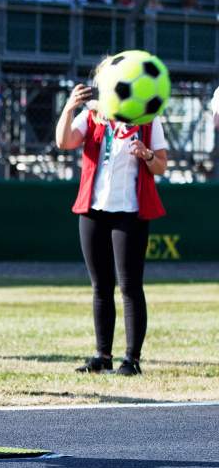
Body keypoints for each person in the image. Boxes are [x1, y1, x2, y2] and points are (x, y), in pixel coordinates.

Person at [55, 59, 169, 376]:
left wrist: (146, 154)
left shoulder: (148, 116)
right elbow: (63, 142)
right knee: (100, 285)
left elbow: (161, 165)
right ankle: (102, 355)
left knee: (130, 286)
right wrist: (68, 107)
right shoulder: (92, 114)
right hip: (94, 208)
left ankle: (131, 359)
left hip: (130, 210)